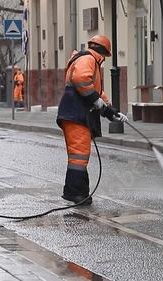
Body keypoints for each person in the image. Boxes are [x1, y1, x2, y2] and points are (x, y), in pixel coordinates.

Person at [56, 35, 128, 205]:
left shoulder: (85, 59)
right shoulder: (88, 59)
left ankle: (79, 192)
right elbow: (81, 80)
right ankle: (74, 193)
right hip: (76, 114)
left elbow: (96, 90)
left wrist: (110, 111)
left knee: (80, 156)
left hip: (76, 114)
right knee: (78, 156)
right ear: (103, 54)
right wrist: (99, 104)